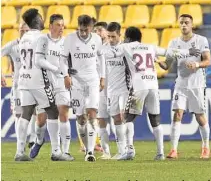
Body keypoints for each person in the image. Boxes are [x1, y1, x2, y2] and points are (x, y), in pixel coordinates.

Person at [104, 26, 183, 160]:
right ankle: (160, 153)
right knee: (155, 119)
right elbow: (169, 52)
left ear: (128, 38)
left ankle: (129, 150)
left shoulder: (126, 47)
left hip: (139, 86)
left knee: (128, 118)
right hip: (153, 85)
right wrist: (188, 52)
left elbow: (110, 52)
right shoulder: (150, 47)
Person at [15, 8, 71, 161]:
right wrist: (58, 70)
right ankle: (56, 151)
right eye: (40, 17)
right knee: (53, 111)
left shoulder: (24, 37)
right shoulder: (42, 38)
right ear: (37, 21)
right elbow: (41, 60)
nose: (42, 20)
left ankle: (19, 152)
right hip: (38, 80)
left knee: (25, 114)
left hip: (24, 79)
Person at [158, 14, 211, 159]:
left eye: (186, 22)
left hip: (197, 84)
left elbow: (208, 61)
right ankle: (174, 150)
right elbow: (167, 65)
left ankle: (206, 147)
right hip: (181, 83)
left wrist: (197, 64)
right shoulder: (174, 43)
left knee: (200, 117)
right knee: (177, 114)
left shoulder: (201, 41)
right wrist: (158, 61)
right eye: (181, 23)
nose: (183, 25)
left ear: (192, 24)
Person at [60, 14, 105, 162]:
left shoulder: (97, 39)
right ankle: (86, 148)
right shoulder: (70, 39)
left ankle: (90, 151)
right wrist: (66, 75)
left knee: (92, 113)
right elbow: (63, 59)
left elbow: (101, 58)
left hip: (92, 81)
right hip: (76, 83)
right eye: (81, 30)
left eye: (86, 30)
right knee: (80, 118)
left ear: (91, 28)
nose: (83, 33)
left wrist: (102, 77)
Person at [29, 14, 74, 160]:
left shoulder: (66, 42)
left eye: (62, 25)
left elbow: (70, 62)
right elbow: (38, 60)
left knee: (63, 111)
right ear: (50, 26)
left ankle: (62, 151)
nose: (61, 28)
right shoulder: (43, 39)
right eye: (58, 25)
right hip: (45, 83)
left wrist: (69, 75)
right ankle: (39, 140)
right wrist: (55, 69)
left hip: (61, 82)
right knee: (41, 119)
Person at [98, 22, 135, 160]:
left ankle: (129, 148)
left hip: (126, 89)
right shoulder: (104, 49)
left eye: (113, 36)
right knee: (116, 119)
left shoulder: (126, 48)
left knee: (124, 117)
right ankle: (121, 151)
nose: (111, 40)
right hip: (111, 90)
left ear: (120, 34)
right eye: (109, 36)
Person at [1, 22, 38, 149]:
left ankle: (33, 138)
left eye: (27, 30)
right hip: (17, 85)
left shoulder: (35, 45)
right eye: (22, 30)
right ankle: (20, 144)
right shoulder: (13, 45)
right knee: (18, 114)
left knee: (34, 111)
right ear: (18, 31)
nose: (24, 33)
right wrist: (1, 74)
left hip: (33, 84)